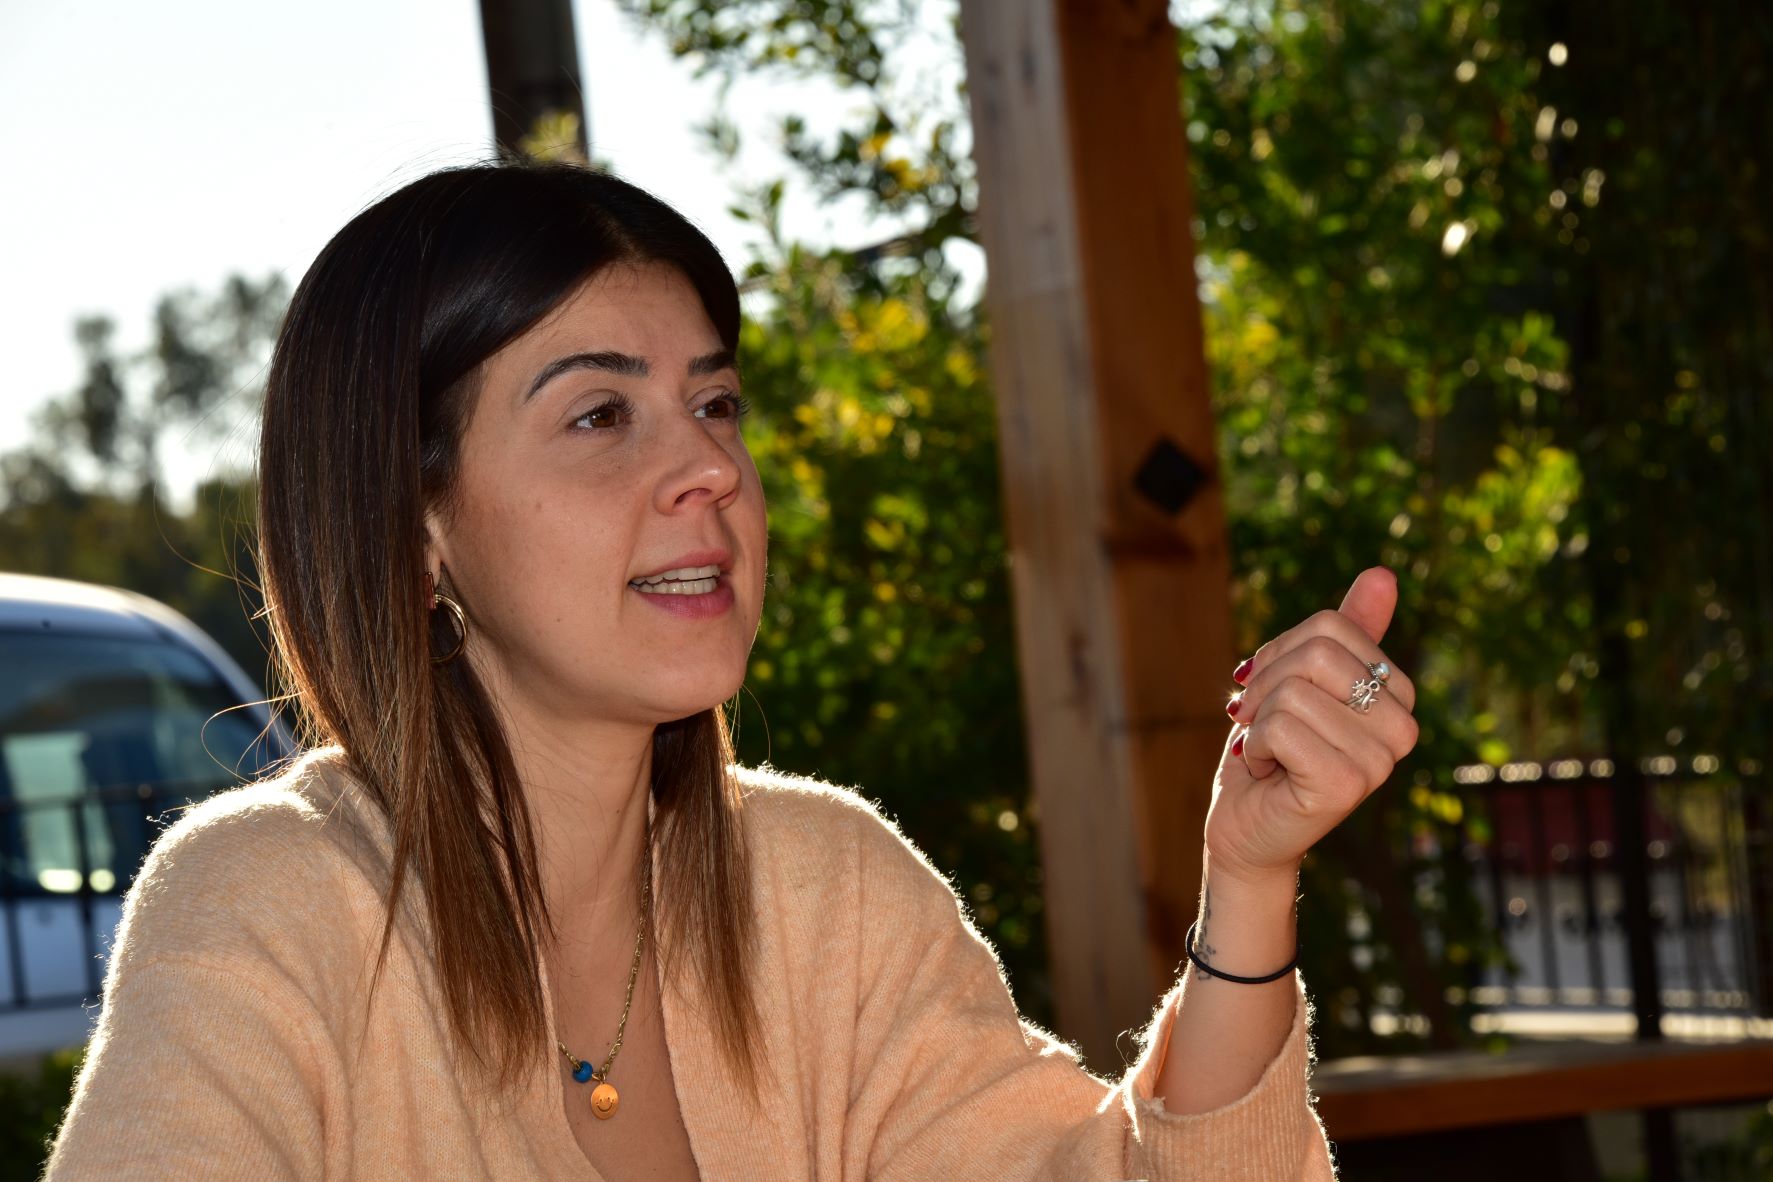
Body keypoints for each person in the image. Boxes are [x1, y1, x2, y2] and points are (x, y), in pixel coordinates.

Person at [44, 161, 1418, 1180]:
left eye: (714, 403)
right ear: (417, 530)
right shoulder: (272, 906)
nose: (709, 465)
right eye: (601, 414)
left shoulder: (827, 891)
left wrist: (1247, 877)